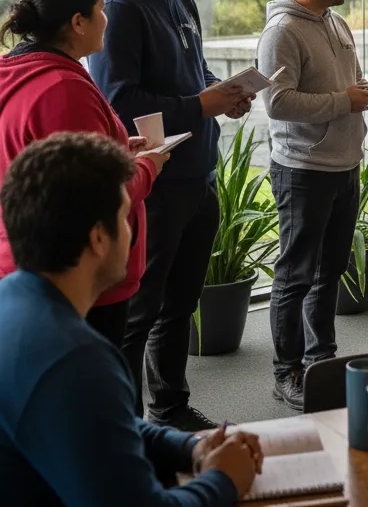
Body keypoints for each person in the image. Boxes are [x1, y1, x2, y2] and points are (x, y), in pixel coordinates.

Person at [0, 131, 262, 505]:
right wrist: (224, 478)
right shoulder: (74, 359)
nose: (134, 229)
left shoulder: (13, 302)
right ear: (98, 239)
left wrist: (190, 448)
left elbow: (104, 427)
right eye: (125, 216)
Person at [90, 0, 252, 431]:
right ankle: (124, 425)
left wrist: (221, 93)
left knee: (180, 304)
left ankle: (169, 405)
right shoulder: (118, 4)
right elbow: (118, 102)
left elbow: (195, 72)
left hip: (196, 175)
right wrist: (198, 105)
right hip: (154, 182)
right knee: (140, 312)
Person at [0, 0, 169, 347]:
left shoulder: (17, 73)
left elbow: (48, 162)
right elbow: (96, 192)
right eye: (102, 9)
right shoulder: (62, 89)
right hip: (76, 273)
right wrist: (146, 165)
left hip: (25, 265)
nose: (107, 20)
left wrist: (118, 150)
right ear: (78, 22)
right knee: (101, 392)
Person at [258, 0, 368, 411]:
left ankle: (320, 358)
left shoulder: (336, 21)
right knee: (295, 276)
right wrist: (343, 101)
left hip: (344, 166)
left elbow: (344, 86)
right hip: (303, 171)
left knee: (330, 271)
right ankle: (286, 372)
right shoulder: (281, 33)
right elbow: (277, 103)